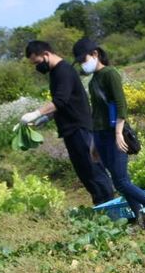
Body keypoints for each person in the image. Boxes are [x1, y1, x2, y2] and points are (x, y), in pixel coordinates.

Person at [72, 38, 145, 232]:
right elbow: (96, 113)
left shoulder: (110, 74)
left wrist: (118, 133)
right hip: (100, 136)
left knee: (122, 181)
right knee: (119, 182)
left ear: (95, 54)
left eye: (84, 59)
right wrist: (93, 144)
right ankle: (140, 220)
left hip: (114, 133)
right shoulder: (93, 82)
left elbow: (121, 105)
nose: (84, 64)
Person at [20, 40, 114, 206]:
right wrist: (47, 118)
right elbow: (65, 102)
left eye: (37, 62)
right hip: (71, 130)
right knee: (84, 172)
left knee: (93, 170)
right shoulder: (55, 73)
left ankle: (111, 205)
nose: (37, 67)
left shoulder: (63, 70)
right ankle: (101, 206)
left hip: (80, 127)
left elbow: (60, 100)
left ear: (46, 54)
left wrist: (36, 113)